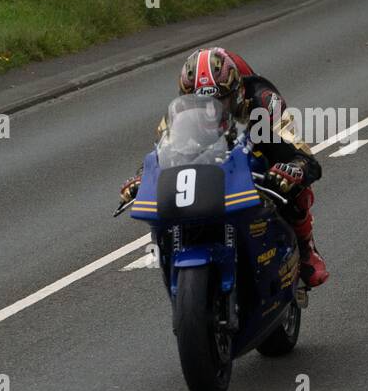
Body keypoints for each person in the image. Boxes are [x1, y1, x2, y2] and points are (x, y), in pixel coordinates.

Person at [120, 47, 329, 287]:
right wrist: (142, 177)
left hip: (257, 154)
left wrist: (294, 168)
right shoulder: (177, 114)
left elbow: (304, 156)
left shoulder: (264, 102)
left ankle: (305, 249)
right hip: (207, 172)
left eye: (220, 101)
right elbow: (160, 152)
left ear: (237, 93)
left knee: (292, 182)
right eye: (199, 103)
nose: (209, 111)